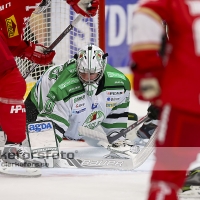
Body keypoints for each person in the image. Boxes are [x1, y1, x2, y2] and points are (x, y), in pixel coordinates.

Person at [0, 0, 99, 169]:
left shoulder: (13, 10)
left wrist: (30, 50)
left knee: (11, 84)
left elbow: (11, 40)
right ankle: (13, 150)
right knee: (11, 83)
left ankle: (13, 148)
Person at [130, 0, 200, 199]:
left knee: (168, 172)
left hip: (186, 98)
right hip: (185, 95)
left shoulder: (178, 4)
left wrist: (148, 73)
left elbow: (145, 15)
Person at [25, 44, 136, 159]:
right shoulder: (63, 89)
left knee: (93, 132)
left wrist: (116, 135)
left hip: (77, 112)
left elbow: (115, 113)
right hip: (40, 102)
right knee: (26, 143)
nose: (87, 78)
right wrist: (45, 148)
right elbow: (53, 120)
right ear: (77, 66)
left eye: (92, 74)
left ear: (102, 68)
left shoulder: (120, 83)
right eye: (83, 73)